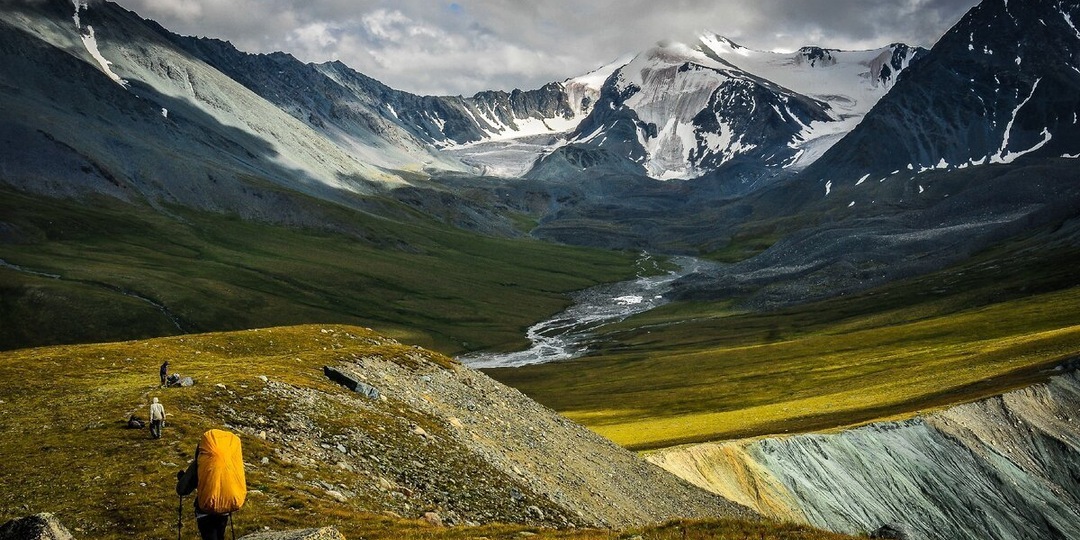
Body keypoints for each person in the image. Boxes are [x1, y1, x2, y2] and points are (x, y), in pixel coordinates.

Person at [176, 448, 229, 540]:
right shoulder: (226, 462)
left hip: (204, 510)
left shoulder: (198, 463)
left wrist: (182, 478)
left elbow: (183, 490)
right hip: (223, 507)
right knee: (220, 536)